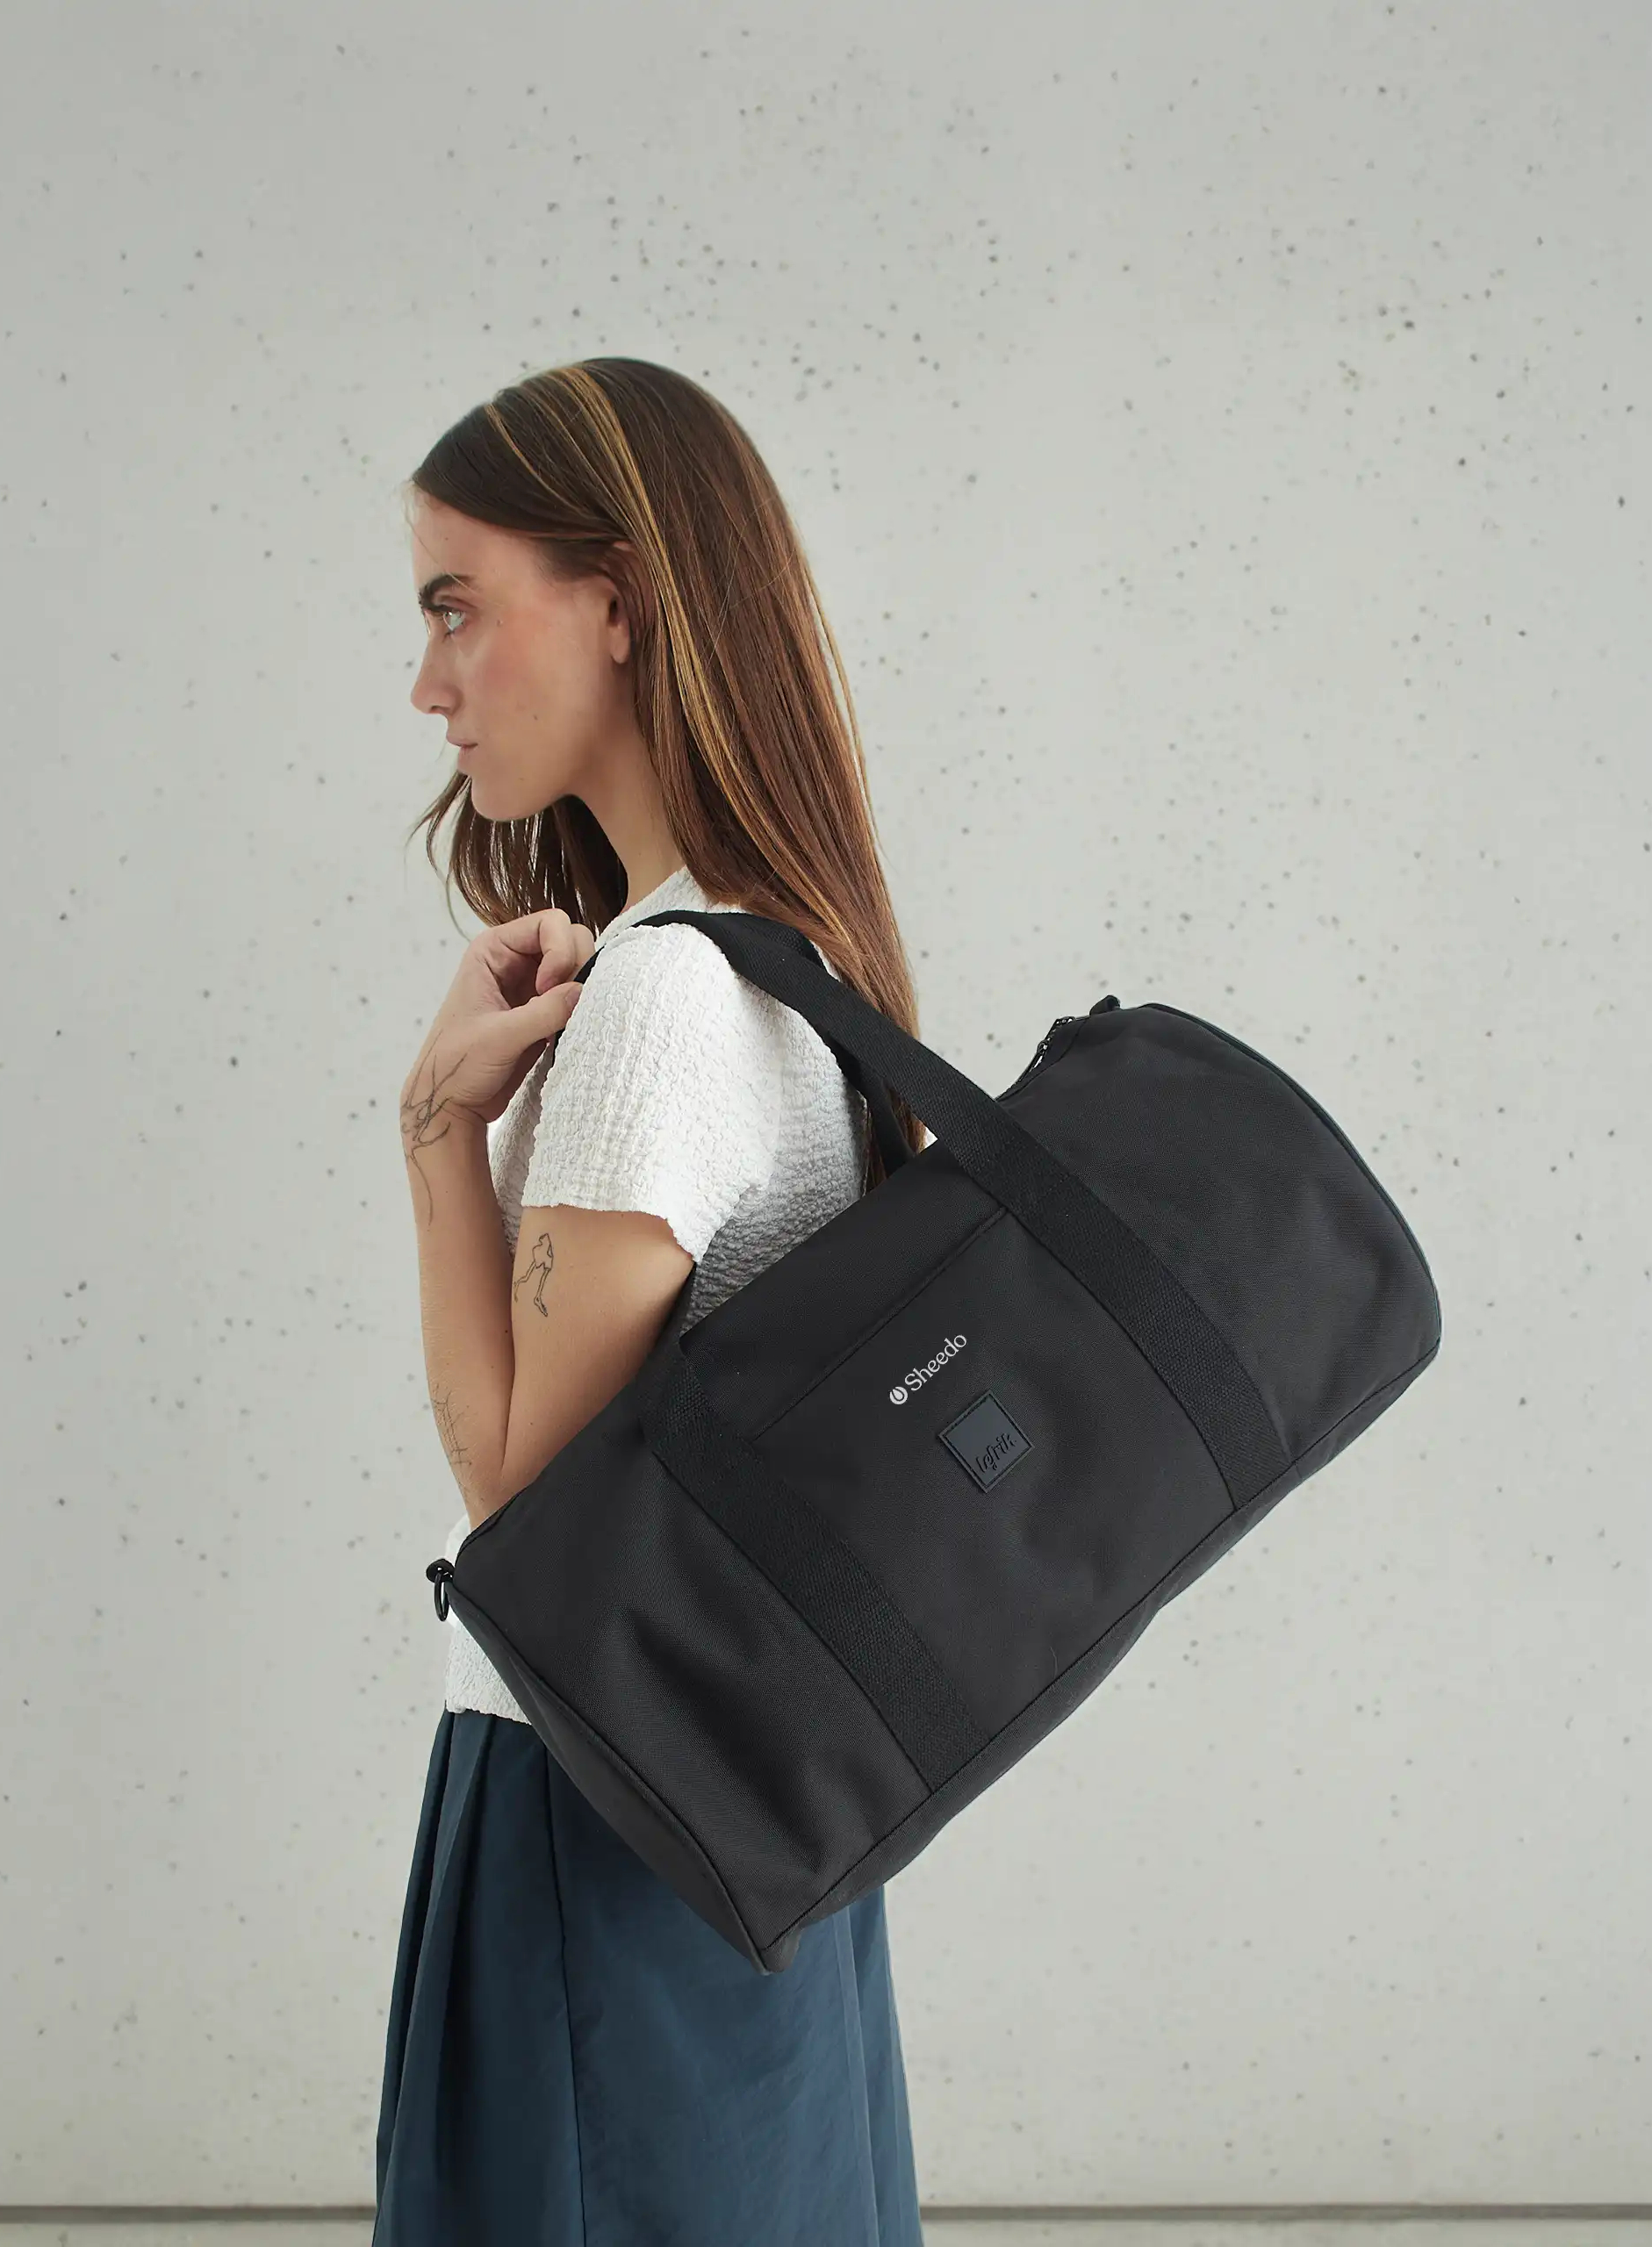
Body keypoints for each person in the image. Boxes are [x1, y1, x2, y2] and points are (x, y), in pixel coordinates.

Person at [372, 358, 930, 2245]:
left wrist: (439, 1131)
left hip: (582, 1815)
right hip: (760, 1821)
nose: (428, 680)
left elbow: (527, 1512)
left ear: (615, 599)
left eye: (458, 604)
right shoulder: (803, 959)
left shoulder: (665, 999)